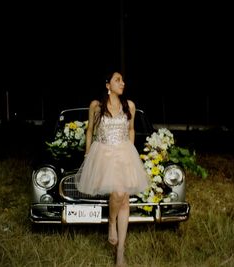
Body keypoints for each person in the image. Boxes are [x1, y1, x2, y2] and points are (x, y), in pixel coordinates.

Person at [75, 70, 149, 266]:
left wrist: (130, 154)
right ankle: (111, 223)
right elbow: (90, 130)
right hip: (104, 154)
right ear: (108, 85)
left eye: (123, 80)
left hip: (124, 153)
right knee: (118, 193)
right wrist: (88, 154)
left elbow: (131, 130)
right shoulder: (96, 106)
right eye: (118, 80)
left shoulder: (129, 105)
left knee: (124, 198)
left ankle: (120, 253)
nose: (122, 83)